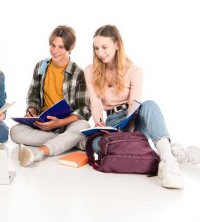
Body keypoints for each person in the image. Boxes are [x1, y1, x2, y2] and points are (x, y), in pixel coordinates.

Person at [84, 24, 200, 189]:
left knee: (149, 105)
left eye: (104, 47)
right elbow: (95, 104)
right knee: (96, 144)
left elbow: (134, 105)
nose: (100, 53)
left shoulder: (134, 70)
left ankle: (168, 163)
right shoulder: (90, 71)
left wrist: (127, 129)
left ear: (117, 45)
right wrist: (99, 124)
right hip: (111, 123)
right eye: (96, 48)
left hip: (132, 120)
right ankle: (172, 153)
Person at [10, 25, 91, 167]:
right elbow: (33, 96)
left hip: (66, 124)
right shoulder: (41, 66)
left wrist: (59, 123)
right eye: (52, 45)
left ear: (70, 48)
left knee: (83, 125)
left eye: (61, 47)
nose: (55, 50)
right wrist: (32, 111)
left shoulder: (78, 73)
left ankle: (42, 151)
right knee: (14, 132)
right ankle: (68, 141)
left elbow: (84, 109)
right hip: (43, 123)